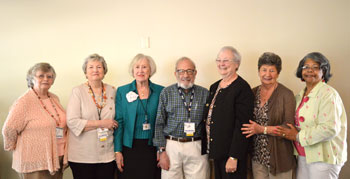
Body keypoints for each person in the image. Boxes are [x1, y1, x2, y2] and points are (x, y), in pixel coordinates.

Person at [275, 52, 347, 179]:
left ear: (323, 71)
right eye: (306, 67)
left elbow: (330, 128)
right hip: (304, 155)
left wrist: (297, 136)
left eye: (315, 67)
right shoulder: (299, 96)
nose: (310, 71)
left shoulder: (328, 94)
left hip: (324, 158)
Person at [2, 62, 68, 179]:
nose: (46, 79)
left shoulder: (54, 98)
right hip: (35, 160)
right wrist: (14, 148)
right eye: (41, 76)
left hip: (57, 157)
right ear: (31, 79)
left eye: (49, 76)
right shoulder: (24, 102)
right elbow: (9, 129)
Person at [241, 52, 296, 179]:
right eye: (264, 70)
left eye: (272, 70)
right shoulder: (252, 92)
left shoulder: (286, 94)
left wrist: (262, 129)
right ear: (258, 71)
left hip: (280, 157)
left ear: (278, 73)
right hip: (257, 157)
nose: (267, 74)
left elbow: (288, 128)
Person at [202, 46, 254, 179]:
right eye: (218, 60)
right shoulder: (215, 86)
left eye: (226, 60)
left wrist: (234, 156)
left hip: (231, 155)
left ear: (237, 64)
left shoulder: (242, 88)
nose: (221, 64)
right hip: (217, 152)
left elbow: (242, 126)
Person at [154, 57, 210, 179]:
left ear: (195, 73)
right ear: (175, 74)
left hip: (197, 145)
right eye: (181, 71)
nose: (185, 75)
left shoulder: (205, 93)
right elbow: (159, 123)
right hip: (172, 146)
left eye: (189, 71)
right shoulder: (166, 92)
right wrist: (161, 151)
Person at [66, 54, 118, 179]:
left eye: (99, 67)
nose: (95, 70)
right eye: (91, 67)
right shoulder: (77, 91)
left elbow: (117, 119)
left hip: (107, 154)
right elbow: (72, 121)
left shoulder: (112, 91)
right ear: (85, 72)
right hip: (83, 156)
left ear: (104, 71)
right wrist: (102, 124)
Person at [114, 53, 163, 179]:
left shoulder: (160, 91)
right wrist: (118, 151)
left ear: (150, 70)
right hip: (129, 147)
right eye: (137, 67)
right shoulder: (122, 91)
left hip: (152, 147)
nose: (140, 70)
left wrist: (161, 149)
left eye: (144, 67)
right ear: (132, 70)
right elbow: (119, 122)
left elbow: (163, 122)